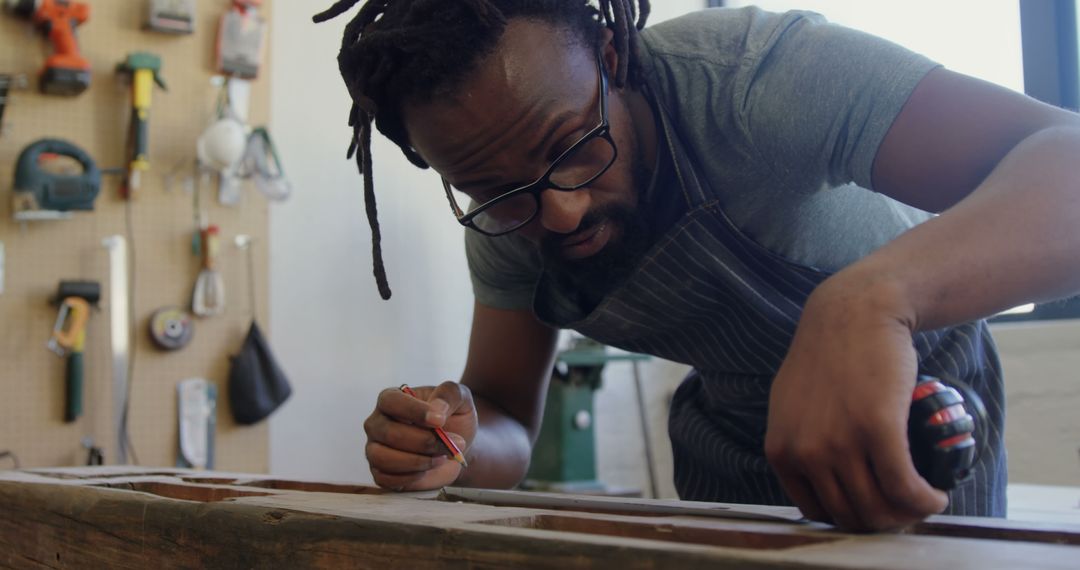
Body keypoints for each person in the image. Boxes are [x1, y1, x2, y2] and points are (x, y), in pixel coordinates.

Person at [314, 0, 1080, 531]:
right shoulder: (503, 217)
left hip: (914, 405)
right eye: (498, 190)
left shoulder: (755, 81)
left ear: (612, 57)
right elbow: (508, 412)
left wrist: (872, 300)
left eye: (573, 147)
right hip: (731, 439)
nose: (559, 214)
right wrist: (455, 443)